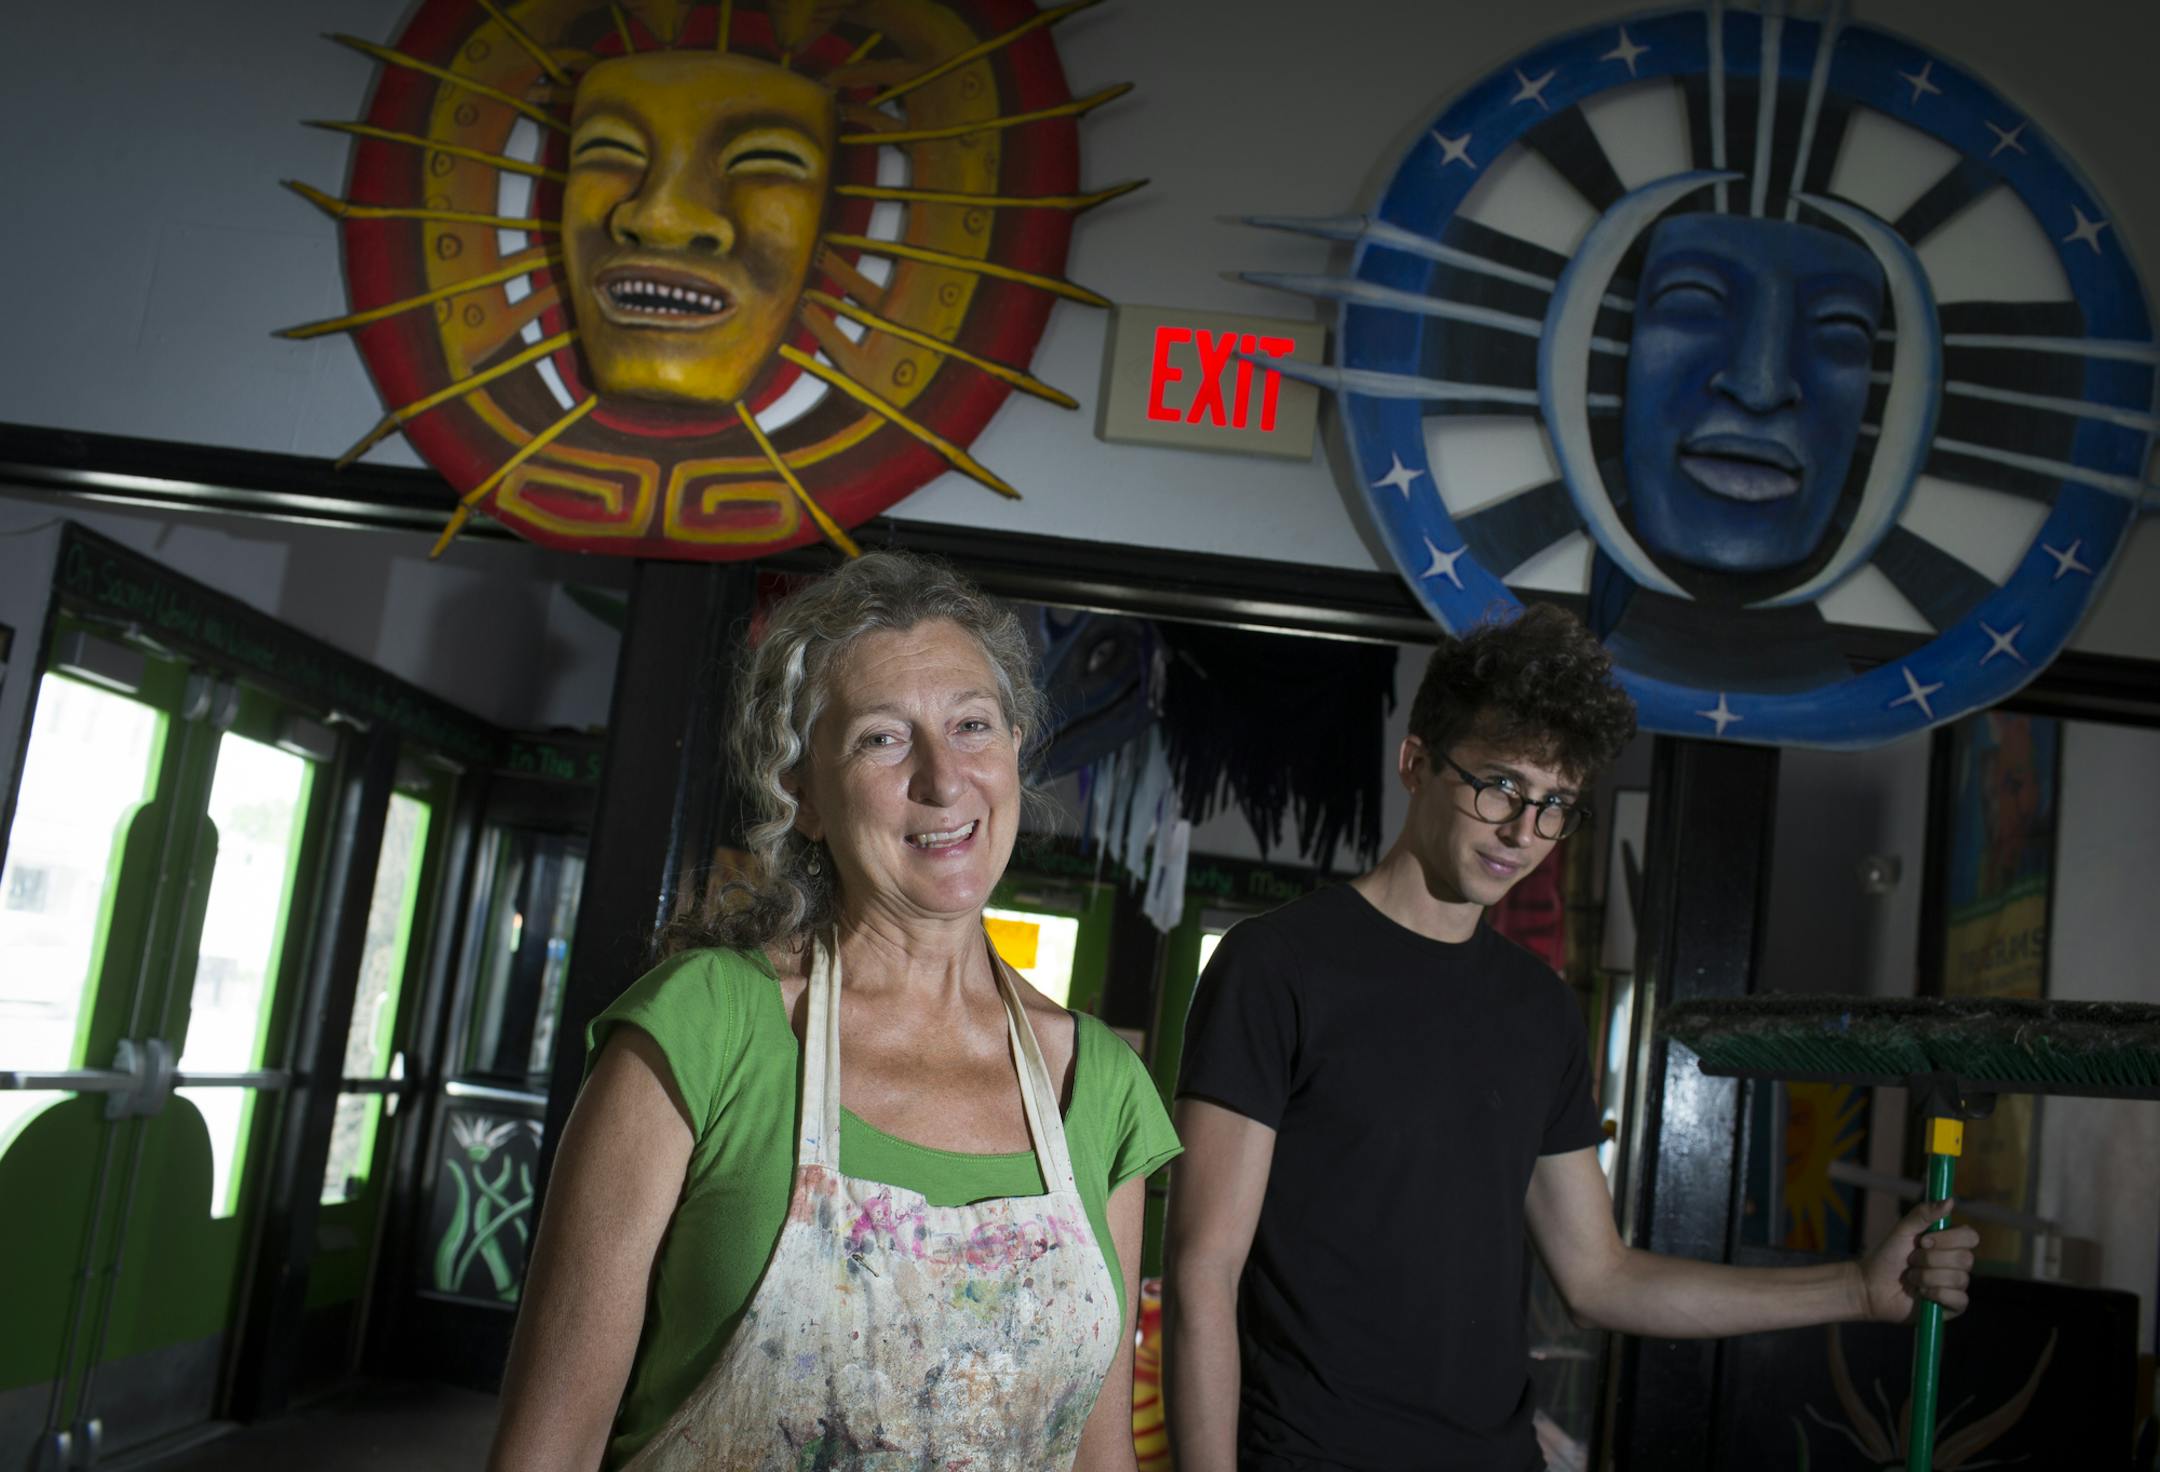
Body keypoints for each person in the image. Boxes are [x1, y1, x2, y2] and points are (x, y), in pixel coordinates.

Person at [1163, 603, 1978, 1472]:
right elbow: (1201, 1272)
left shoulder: (1538, 1008)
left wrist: (1855, 1287)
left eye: (1556, 805)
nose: (1524, 832)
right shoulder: (1277, 965)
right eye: (1500, 786)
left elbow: (1601, 1279)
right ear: (1415, 762)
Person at [490, 551, 1180, 1471]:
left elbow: (1100, 1459)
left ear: (1014, 751)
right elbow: (548, 1450)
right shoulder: (705, 1030)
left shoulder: (1098, 1088)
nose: (943, 779)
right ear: (804, 795)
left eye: (972, 725)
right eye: (882, 739)